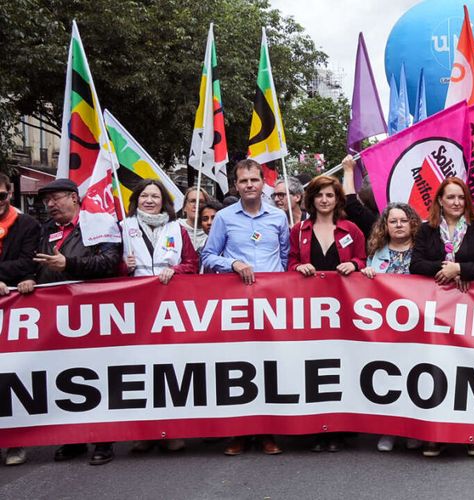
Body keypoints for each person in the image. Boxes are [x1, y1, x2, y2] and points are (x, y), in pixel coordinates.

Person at [17, 178, 122, 466]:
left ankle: (103, 439)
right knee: (65, 377)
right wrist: (29, 279)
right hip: (57, 316)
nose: (50, 205)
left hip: (95, 314)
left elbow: (110, 262)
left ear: (74, 198)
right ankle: (73, 437)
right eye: (46, 201)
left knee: (99, 377)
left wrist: (70, 265)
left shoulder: (98, 224)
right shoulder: (47, 230)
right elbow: (36, 264)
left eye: (56, 198)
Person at [201, 159, 290, 456]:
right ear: (235, 185)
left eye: (254, 180)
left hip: (272, 305)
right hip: (236, 305)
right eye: (243, 181)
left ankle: (267, 432)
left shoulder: (278, 217)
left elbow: (287, 257)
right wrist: (233, 263)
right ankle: (239, 432)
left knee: (269, 367)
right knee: (238, 367)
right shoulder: (224, 218)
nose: (250, 185)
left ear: (263, 183)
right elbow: (208, 256)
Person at [410, 178, 474, 457]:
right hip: (437, 311)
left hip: (472, 309)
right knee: (439, 368)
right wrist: (444, 269)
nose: (457, 202)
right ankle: (436, 434)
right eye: (451, 197)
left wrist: (461, 269)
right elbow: (416, 264)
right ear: (440, 200)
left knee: (471, 369)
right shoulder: (427, 229)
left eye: (461, 197)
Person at [287, 174, 365, 453]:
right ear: (312, 198)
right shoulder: (299, 230)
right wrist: (298, 268)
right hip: (310, 310)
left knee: (341, 365)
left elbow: (362, 258)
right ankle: (315, 427)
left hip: (343, 310)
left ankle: (339, 429)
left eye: (329, 195)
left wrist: (354, 264)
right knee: (313, 366)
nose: (324, 199)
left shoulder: (351, 230)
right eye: (319, 194)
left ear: (337, 199)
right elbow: (291, 262)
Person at [120, 179, 198, 453]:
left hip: (170, 310)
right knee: (141, 371)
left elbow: (193, 263)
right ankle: (145, 433)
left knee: (171, 370)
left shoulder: (177, 228)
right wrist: (122, 266)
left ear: (164, 200)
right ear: (136, 199)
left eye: (155, 196)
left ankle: (173, 431)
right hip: (136, 310)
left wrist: (175, 270)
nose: (150, 200)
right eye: (144, 195)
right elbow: (108, 268)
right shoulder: (123, 227)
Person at [359, 202, 423, 452]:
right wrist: (365, 275)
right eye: (393, 221)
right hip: (386, 328)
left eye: (403, 220)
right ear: (385, 225)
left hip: (417, 327)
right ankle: (389, 429)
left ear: (412, 223)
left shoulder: (422, 250)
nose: (398, 225)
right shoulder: (377, 253)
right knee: (389, 377)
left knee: (414, 377)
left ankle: (412, 429)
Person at [0, 174, 40, 467]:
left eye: (0, 196)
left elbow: (28, 262)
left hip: (15, 312)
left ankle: (15, 441)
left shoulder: (27, 224)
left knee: (13, 376)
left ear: (10, 193)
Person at [341, 155, 379, 237]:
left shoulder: (372, 220)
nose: (360, 187)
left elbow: (350, 203)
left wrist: (348, 171)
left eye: (366, 183)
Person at [178, 186, 210, 250]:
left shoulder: (212, 231)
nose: (197, 205)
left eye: (201, 202)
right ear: (184, 207)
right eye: (192, 201)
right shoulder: (174, 228)